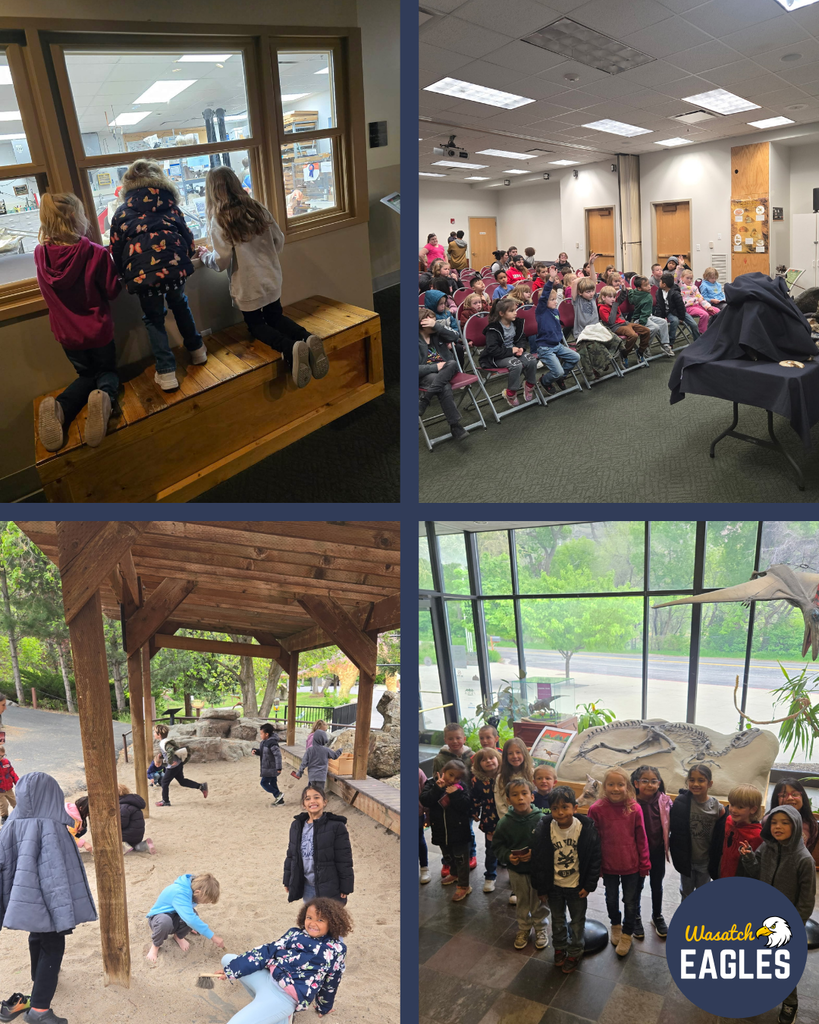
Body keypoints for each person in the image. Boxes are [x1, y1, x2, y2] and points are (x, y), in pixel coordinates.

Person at [197, 166, 327, 389]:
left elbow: (221, 261)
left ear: (212, 191)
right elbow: (278, 241)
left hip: (248, 284)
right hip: (271, 276)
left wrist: (204, 257)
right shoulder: (257, 208)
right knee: (275, 317)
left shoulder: (220, 219)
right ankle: (307, 338)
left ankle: (290, 348)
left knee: (256, 325)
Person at [0, 772, 97, 1024]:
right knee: (53, 946)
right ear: (53, 794)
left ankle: (38, 978)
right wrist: (61, 913)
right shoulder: (51, 827)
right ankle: (39, 1010)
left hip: (23, 899)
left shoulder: (11, 822)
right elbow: (54, 876)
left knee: (36, 936)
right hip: (48, 901)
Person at [109, 159, 208, 392]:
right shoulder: (171, 206)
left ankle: (166, 373)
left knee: (154, 318)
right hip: (174, 268)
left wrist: (125, 274)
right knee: (180, 304)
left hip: (143, 274)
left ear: (129, 183)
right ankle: (197, 351)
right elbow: (188, 237)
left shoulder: (122, 212)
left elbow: (116, 248)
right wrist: (187, 255)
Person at [34, 193, 122, 451]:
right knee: (106, 372)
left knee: (85, 374)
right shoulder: (95, 252)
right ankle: (105, 398)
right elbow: (112, 291)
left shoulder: (40, 255)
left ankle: (61, 407)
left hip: (67, 334)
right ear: (77, 219)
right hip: (98, 330)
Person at [739, 804, 816, 1024]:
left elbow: (807, 900)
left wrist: (794, 924)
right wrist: (749, 859)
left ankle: (790, 1002)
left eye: (784, 822)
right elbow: (756, 874)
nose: (778, 827)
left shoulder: (804, 860)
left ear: (797, 826)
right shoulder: (765, 848)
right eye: (773, 822)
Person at [216, 897, 351, 1021]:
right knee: (228, 959)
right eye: (309, 917)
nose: (313, 923)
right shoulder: (294, 933)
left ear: (332, 923)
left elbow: (332, 980)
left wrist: (324, 1007)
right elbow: (267, 951)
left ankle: (276, 1012)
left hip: (284, 997)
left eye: (320, 920)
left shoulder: (336, 950)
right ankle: (266, 1007)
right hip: (269, 979)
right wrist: (231, 971)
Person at [532, 785, 602, 974]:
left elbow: (595, 859)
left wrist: (588, 885)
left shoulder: (586, 829)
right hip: (554, 886)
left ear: (574, 808)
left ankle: (575, 952)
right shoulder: (545, 828)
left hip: (576, 887)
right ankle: (560, 949)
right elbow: (538, 860)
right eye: (555, 808)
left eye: (565, 807)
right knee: (557, 920)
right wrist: (542, 888)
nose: (560, 812)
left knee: (578, 921)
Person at [587, 767, 650, 957]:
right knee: (611, 898)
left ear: (627, 786)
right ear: (604, 786)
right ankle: (615, 924)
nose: (616, 788)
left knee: (631, 901)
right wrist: (595, 865)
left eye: (620, 784)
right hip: (609, 865)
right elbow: (592, 840)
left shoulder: (634, 808)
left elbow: (641, 837)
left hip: (631, 864)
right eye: (611, 784)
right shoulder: (596, 809)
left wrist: (645, 863)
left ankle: (627, 932)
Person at [491, 778, 549, 949]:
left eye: (524, 794)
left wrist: (536, 854)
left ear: (532, 797)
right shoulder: (505, 823)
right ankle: (524, 928)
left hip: (537, 872)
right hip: (517, 872)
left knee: (539, 901)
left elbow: (549, 845)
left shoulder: (542, 820)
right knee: (522, 902)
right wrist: (508, 856)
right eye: (515, 795)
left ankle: (540, 928)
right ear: (508, 800)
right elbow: (497, 846)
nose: (520, 798)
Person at [283, 785, 353, 904]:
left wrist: (346, 886)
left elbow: (344, 858)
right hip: (307, 886)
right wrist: (288, 879)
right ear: (304, 804)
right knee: (311, 919)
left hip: (329, 885)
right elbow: (291, 855)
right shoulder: (296, 826)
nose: (312, 801)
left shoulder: (336, 826)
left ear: (324, 802)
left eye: (316, 797)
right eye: (307, 798)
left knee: (329, 920)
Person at [420, 759, 473, 902]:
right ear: (443, 771)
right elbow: (425, 800)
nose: (453, 780)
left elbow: (466, 806)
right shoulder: (431, 783)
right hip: (441, 831)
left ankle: (464, 885)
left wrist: (456, 794)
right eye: (450, 775)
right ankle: (454, 874)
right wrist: (437, 788)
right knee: (448, 855)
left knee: (462, 859)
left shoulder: (462, 788)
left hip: (459, 832)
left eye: (457, 778)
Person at [669, 764, 724, 900]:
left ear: (709, 783)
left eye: (701, 780)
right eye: (692, 780)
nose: (695, 784)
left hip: (705, 861)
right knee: (686, 893)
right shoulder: (681, 803)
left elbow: (720, 833)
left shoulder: (717, 808)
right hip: (686, 860)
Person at [630, 765, 672, 938]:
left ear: (659, 783)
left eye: (653, 781)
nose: (649, 785)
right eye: (645, 781)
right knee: (636, 886)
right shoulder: (630, 802)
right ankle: (636, 916)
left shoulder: (665, 801)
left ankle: (657, 915)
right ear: (636, 783)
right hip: (636, 852)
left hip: (656, 850)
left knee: (657, 884)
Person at [145, 872, 224, 963]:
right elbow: (190, 919)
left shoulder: (193, 888)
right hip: (158, 918)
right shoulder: (180, 893)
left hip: (175, 914)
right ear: (198, 892)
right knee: (167, 922)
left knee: (193, 915)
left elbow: (188, 912)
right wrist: (213, 937)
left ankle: (178, 936)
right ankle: (155, 946)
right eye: (205, 901)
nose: (205, 903)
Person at [418, 307, 469, 443]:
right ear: (422, 324)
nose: (435, 324)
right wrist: (435, 367)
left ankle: (425, 400)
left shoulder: (437, 332)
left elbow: (455, 336)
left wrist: (437, 326)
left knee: (451, 363)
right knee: (443, 386)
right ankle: (455, 425)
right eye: (431, 322)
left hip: (447, 369)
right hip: (427, 375)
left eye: (435, 322)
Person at [481, 297, 538, 408]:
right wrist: (510, 350)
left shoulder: (516, 323)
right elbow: (492, 349)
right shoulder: (492, 329)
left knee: (531, 359)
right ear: (501, 313)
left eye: (515, 310)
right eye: (511, 311)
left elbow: (521, 338)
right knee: (515, 364)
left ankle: (529, 384)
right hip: (497, 357)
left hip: (513, 352)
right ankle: (510, 393)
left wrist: (521, 347)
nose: (515, 313)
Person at [534, 268, 580, 395]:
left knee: (575, 357)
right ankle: (545, 380)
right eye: (552, 300)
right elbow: (544, 296)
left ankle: (560, 377)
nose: (555, 302)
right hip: (545, 348)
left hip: (557, 345)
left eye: (555, 299)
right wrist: (550, 280)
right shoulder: (541, 310)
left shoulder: (555, 310)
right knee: (557, 371)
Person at [708, 783, 763, 880]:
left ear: (753, 809)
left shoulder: (757, 835)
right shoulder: (728, 820)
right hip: (721, 872)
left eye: (740, 807)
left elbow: (755, 868)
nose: (733, 810)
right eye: (732, 805)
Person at [154, 723, 208, 807]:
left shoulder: (164, 742)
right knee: (182, 781)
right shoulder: (166, 741)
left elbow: (170, 751)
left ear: (159, 734)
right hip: (178, 764)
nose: (154, 734)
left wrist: (170, 762)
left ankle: (166, 801)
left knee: (164, 782)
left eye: (155, 732)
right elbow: (170, 750)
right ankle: (201, 786)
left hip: (173, 766)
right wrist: (161, 754)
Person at [470, 746, 501, 893]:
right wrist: (475, 811)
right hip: (489, 817)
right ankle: (490, 876)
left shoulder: (505, 776)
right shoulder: (477, 780)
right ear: (479, 764)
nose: (488, 761)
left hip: (507, 815)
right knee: (491, 849)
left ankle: (515, 881)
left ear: (498, 759)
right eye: (484, 760)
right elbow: (475, 798)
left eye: (491, 758)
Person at [598, 285, 650, 362]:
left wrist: (623, 289)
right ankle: (624, 354)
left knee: (646, 331)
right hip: (615, 327)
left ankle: (640, 351)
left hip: (624, 323)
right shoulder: (602, 308)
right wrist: (614, 306)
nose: (613, 299)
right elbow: (611, 321)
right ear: (603, 298)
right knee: (633, 335)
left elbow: (621, 298)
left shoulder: (613, 303)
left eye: (614, 297)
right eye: (610, 297)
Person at [769, 778, 819, 854]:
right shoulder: (768, 821)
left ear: (803, 797)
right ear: (776, 799)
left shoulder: (811, 824)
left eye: (795, 794)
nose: (790, 798)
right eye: (783, 795)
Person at [627, 276, 674, 357]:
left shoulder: (636, 292)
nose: (649, 287)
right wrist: (642, 324)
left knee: (663, 322)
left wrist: (631, 291)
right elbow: (643, 313)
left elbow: (631, 299)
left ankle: (665, 344)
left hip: (647, 316)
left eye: (649, 284)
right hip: (640, 319)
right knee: (655, 327)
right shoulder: (647, 297)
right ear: (639, 288)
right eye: (646, 285)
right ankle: (645, 347)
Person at [654, 271, 699, 345]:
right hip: (669, 312)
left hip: (680, 311)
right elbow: (659, 306)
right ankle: (670, 342)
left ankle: (698, 341)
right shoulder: (659, 292)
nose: (659, 283)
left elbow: (680, 306)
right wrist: (660, 317)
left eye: (660, 281)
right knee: (675, 321)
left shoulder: (675, 293)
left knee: (694, 324)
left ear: (664, 284)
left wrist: (681, 317)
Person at [676, 264, 719, 334]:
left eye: (691, 278)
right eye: (687, 278)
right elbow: (676, 278)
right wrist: (679, 267)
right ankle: (702, 333)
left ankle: (714, 330)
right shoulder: (680, 286)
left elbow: (700, 298)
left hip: (698, 305)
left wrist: (708, 307)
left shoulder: (694, 287)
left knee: (717, 311)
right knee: (704, 315)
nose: (689, 280)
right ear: (682, 278)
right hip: (688, 307)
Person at [251, 723, 283, 806]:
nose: (260, 735)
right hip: (268, 768)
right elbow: (264, 753)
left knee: (264, 783)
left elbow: (278, 755)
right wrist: (256, 751)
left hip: (271, 768)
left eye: (261, 733)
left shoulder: (272, 743)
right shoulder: (264, 742)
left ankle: (277, 794)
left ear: (267, 734)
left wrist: (279, 767)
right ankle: (280, 801)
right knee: (273, 783)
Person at [118, 784, 155, 855]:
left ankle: (123, 847)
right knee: (136, 846)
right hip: (138, 835)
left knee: (111, 837)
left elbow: (122, 824)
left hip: (127, 835)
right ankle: (145, 844)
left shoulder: (123, 806)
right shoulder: (132, 802)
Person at [0, 745, 18, 823]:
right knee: (4, 804)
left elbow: (12, 772)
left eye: (3, 755)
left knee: (14, 802)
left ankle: (19, 814)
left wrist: (18, 782)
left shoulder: (6, 762)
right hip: (0, 790)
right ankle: (4, 817)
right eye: (0, 756)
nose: (2, 757)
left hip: (8, 788)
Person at [419, 768, 430, 885]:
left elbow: (424, 793)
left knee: (420, 840)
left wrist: (427, 814)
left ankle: (424, 867)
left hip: (418, 814)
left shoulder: (419, 773)